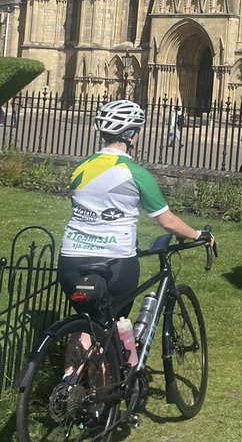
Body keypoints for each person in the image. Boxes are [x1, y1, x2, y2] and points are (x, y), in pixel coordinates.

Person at [58, 99, 213, 351]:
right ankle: (107, 376)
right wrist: (198, 234)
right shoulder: (136, 173)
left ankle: (71, 374)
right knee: (110, 328)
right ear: (131, 135)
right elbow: (167, 221)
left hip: (71, 259)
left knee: (86, 321)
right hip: (115, 261)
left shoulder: (80, 168)